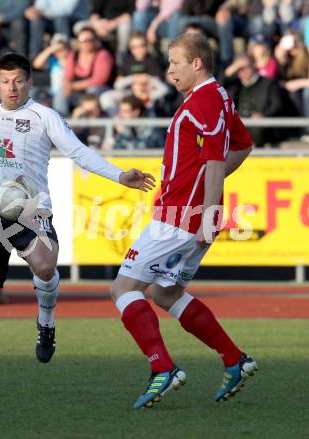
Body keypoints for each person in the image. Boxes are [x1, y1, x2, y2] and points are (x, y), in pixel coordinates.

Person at [0, 53, 155, 397]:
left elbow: (77, 150)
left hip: (30, 211)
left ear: (29, 83)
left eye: (18, 81)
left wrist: (120, 175)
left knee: (44, 266)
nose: (11, 88)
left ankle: (46, 320)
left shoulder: (44, 116)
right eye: (4, 81)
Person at [109, 33, 257, 409]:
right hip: (192, 214)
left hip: (179, 217)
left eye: (175, 61)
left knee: (123, 288)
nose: (169, 69)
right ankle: (234, 359)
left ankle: (163, 368)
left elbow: (212, 162)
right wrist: (209, 205)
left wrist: (207, 214)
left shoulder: (205, 101)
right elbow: (243, 145)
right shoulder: (219, 96)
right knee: (164, 293)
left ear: (197, 63)